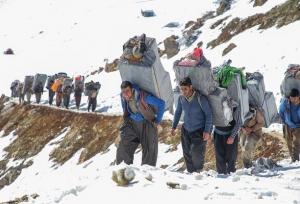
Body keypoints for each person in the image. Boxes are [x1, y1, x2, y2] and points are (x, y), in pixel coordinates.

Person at [116, 81, 165, 166]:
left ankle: (146, 175)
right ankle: (123, 169)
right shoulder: (123, 97)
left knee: (149, 152)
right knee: (123, 145)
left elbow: (162, 103)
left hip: (147, 123)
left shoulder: (143, 97)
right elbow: (125, 109)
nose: (125, 94)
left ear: (132, 89)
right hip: (132, 123)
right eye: (123, 92)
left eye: (127, 91)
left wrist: (157, 121)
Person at [171, 77, 213, 173]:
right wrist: (174, 126)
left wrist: (207, 131)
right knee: (187, 153)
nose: (183, 91)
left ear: (190, 87)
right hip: (186, 130)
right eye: (181, 89)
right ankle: (190, 174)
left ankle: (198, 173)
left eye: (185, 89)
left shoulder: (200, 98)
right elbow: (178, 112)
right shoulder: (181, 98)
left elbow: (209, 115)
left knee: (196, 154)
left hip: (199, 131)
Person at [213, 100, 242, 174]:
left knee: (231, 158)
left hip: (230, 134)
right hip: (218, 134)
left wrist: (232, 136)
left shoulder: (235, 105)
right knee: (219, 157)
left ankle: (231, 177)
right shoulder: (215, 102)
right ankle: (221, 175)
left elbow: (239, 122)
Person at [279, 88, 300, 162]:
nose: (293, 100)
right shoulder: (285, 103)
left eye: (295, 98)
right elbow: (281, 111)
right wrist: (283, 121)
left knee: (296, 141)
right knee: (288, 141)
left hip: (298, 126)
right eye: (291, 98)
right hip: (288, 124)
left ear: (298, 97)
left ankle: (295, 160)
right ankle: (293, 157)